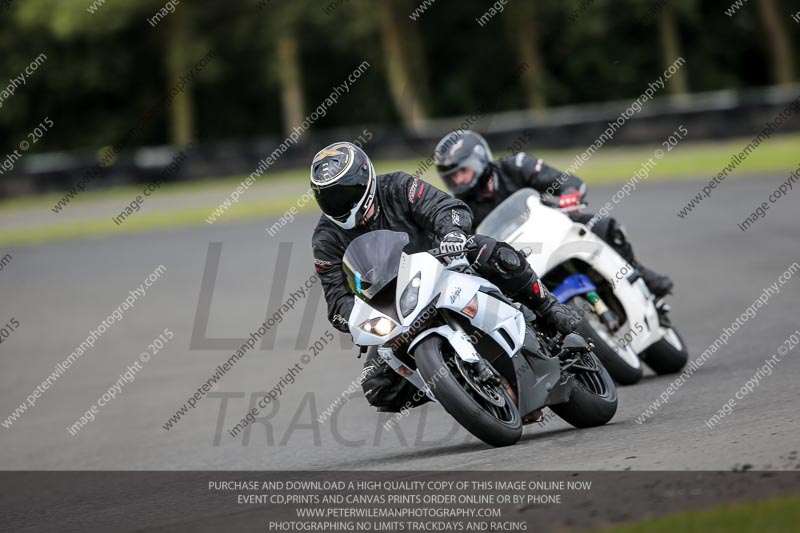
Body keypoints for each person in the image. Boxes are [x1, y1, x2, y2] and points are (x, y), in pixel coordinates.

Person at [310, 142, 581, 412]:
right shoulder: (325, 239)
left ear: (365, 180)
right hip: (393, 308)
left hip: (443, 265)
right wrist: (357, 321)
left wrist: (452, 232)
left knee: (489, 251)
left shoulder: (399, 186)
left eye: (345, 194)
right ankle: (453, 381)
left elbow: (446, 207)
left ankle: (548, 306)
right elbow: (336, 300)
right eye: (329, 198)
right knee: (377, 387)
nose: (339, 204)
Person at [433, 130, 673, 297]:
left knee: (602, 225)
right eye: (452, 176)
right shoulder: (459, 209)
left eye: (461, 171)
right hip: (518, 257)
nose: (458, 180)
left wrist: (569, 193)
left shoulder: (515, 166)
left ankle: (639, 275)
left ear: (478, 159)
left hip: (555, 229)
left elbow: (566, 181)